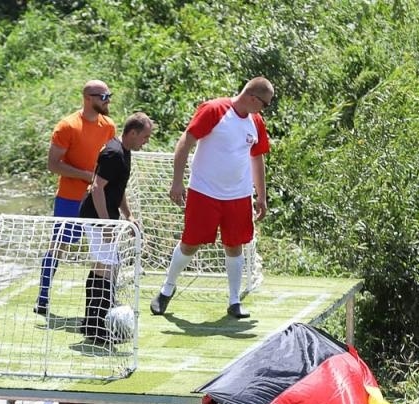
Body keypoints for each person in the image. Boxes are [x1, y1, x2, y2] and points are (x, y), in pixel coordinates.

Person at [149, 77, 275, 321]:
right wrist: (177, 181)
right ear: (252, 98)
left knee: (235, 245)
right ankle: (167, 289)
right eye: (265, 104)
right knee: (190, 243)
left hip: (238, 195)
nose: (265, 109)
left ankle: (234, 300)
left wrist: (261, 195)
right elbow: (185, 142)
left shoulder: (256, 121)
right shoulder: (214, 109)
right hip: (204, 192)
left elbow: (257, 158)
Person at [34, 81, 117, 317]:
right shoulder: (67, 126)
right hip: (70, 199)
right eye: (103, 96)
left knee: (106, 250)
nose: (107, 100)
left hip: (97, 199)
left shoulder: (109, 126)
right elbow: (53, 164)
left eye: (109, 96)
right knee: (59, 246)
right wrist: (85, 176)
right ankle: (43, 296)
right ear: (88, 98)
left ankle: (106, 300)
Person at [78, 111, 153, 344]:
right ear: (132, 133)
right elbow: (97, 188)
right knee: (107, 265)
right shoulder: (113, 153)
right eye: (145, 137)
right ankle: (96, 326)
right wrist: (106, 223)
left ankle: (93, 322)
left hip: (105, 216)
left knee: (108, 264)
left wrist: (128, 215)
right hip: (96, 217)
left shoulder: (125, 151)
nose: (146, 142)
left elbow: (116, 189)